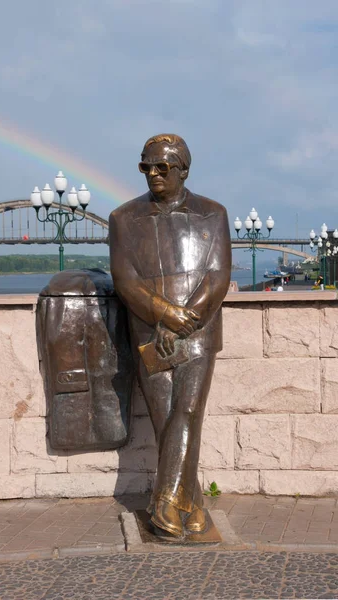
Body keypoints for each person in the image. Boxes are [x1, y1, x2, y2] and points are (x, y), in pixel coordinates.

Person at [109, 134, 231, 537]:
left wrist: (184, 319)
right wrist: (163, 315)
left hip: (198, 330)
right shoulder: (123, 219)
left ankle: (163, 506)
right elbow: (125, 279)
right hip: (148, 330)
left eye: (162, 167)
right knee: (166, 421)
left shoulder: (213, 214)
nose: (153, 175)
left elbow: (217, 275)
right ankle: (191, 505)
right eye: (146, 167)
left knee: (188, 412)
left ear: (183, 169)